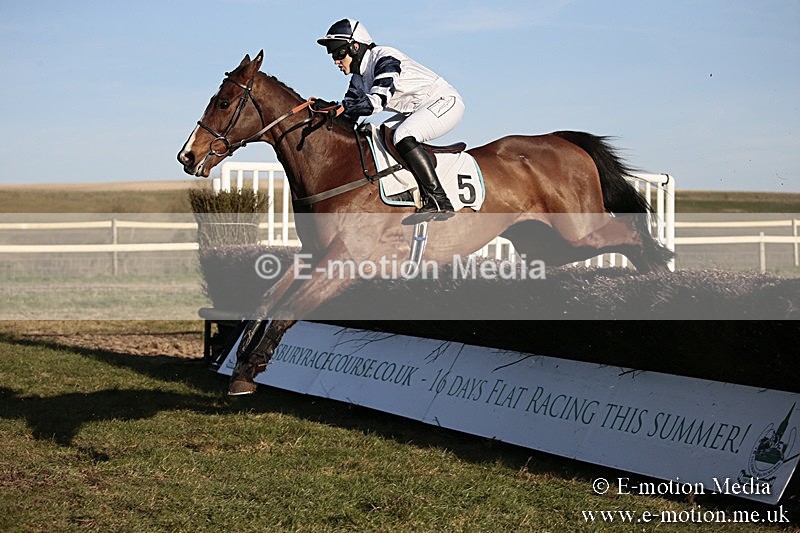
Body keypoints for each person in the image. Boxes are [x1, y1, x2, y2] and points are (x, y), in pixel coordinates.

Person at [317, 18, 465, 223]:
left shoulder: (384, 58)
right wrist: (321, 111)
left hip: (444, 102)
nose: (335, 60)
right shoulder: (358, 79)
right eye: (332, 53)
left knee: (403, 135)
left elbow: (377, 102)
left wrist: (342, 108)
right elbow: (348, 116)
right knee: (379, 133)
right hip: (417, 110)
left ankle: (439, 199)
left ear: (355, 47)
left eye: (338, 51)